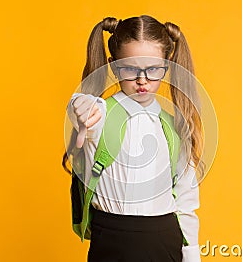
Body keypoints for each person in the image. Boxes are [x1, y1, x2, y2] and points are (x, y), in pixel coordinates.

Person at [63, 15, 204, 262]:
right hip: (112, 240)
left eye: (153, 69)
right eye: (130, 68)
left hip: (165, 240)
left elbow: (185, 201)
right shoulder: (101, 114)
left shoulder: (174, 127)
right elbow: (81, 108)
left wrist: (192, 256)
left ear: (167, 67)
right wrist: (80, 107)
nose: (142, 79)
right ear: (113, 65)